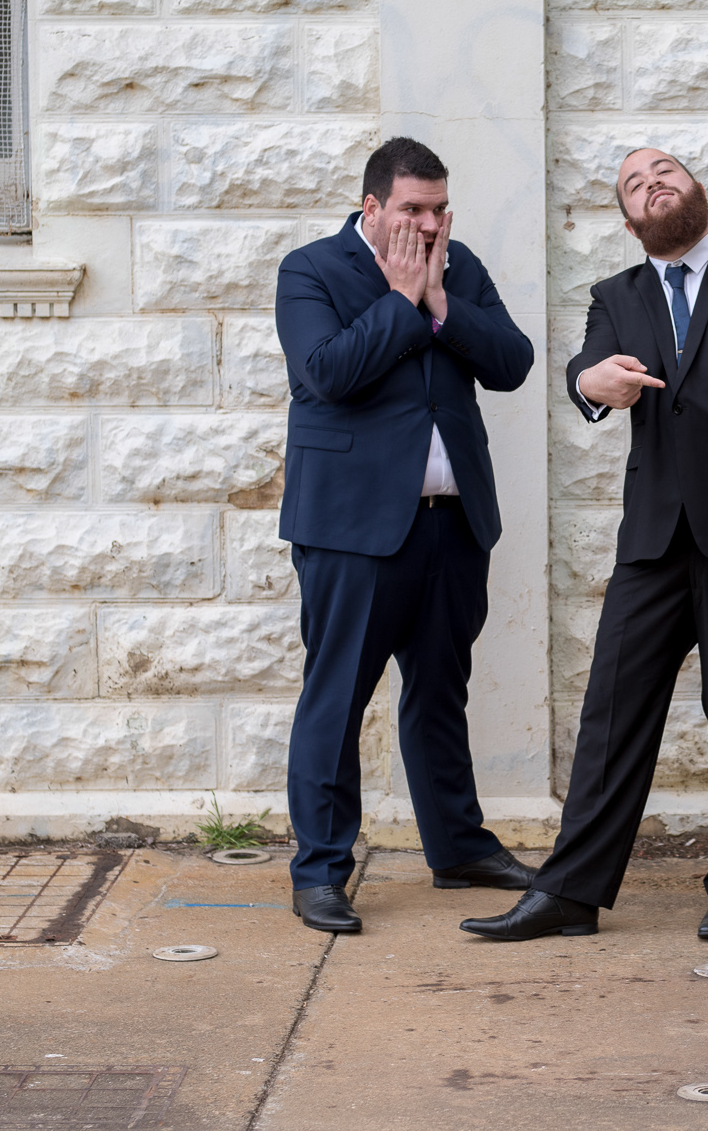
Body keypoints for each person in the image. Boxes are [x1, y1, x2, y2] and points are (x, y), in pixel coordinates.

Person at [462, 148, 708, 944]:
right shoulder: (616, 294)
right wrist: (586, 387)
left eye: (665, 170)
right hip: (657, 533)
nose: (653, 181)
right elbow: (584, 369)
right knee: (612, 706)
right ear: (630, 221)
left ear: (695, 189)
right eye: (635, 182)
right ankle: (569, 892)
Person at [276, 136, 540, 934]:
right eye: (412, 209)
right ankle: (321, 868)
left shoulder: (458, 269)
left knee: (438, 691)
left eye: (438, 208)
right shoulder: (311, 270)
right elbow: (326, 372)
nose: (429, 224)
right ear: (372, 208)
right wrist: (399, 299)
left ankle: (457, 846)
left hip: (452, 522)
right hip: (353, 530)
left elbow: (513, 361)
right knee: (338, 697)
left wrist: (440, 303)